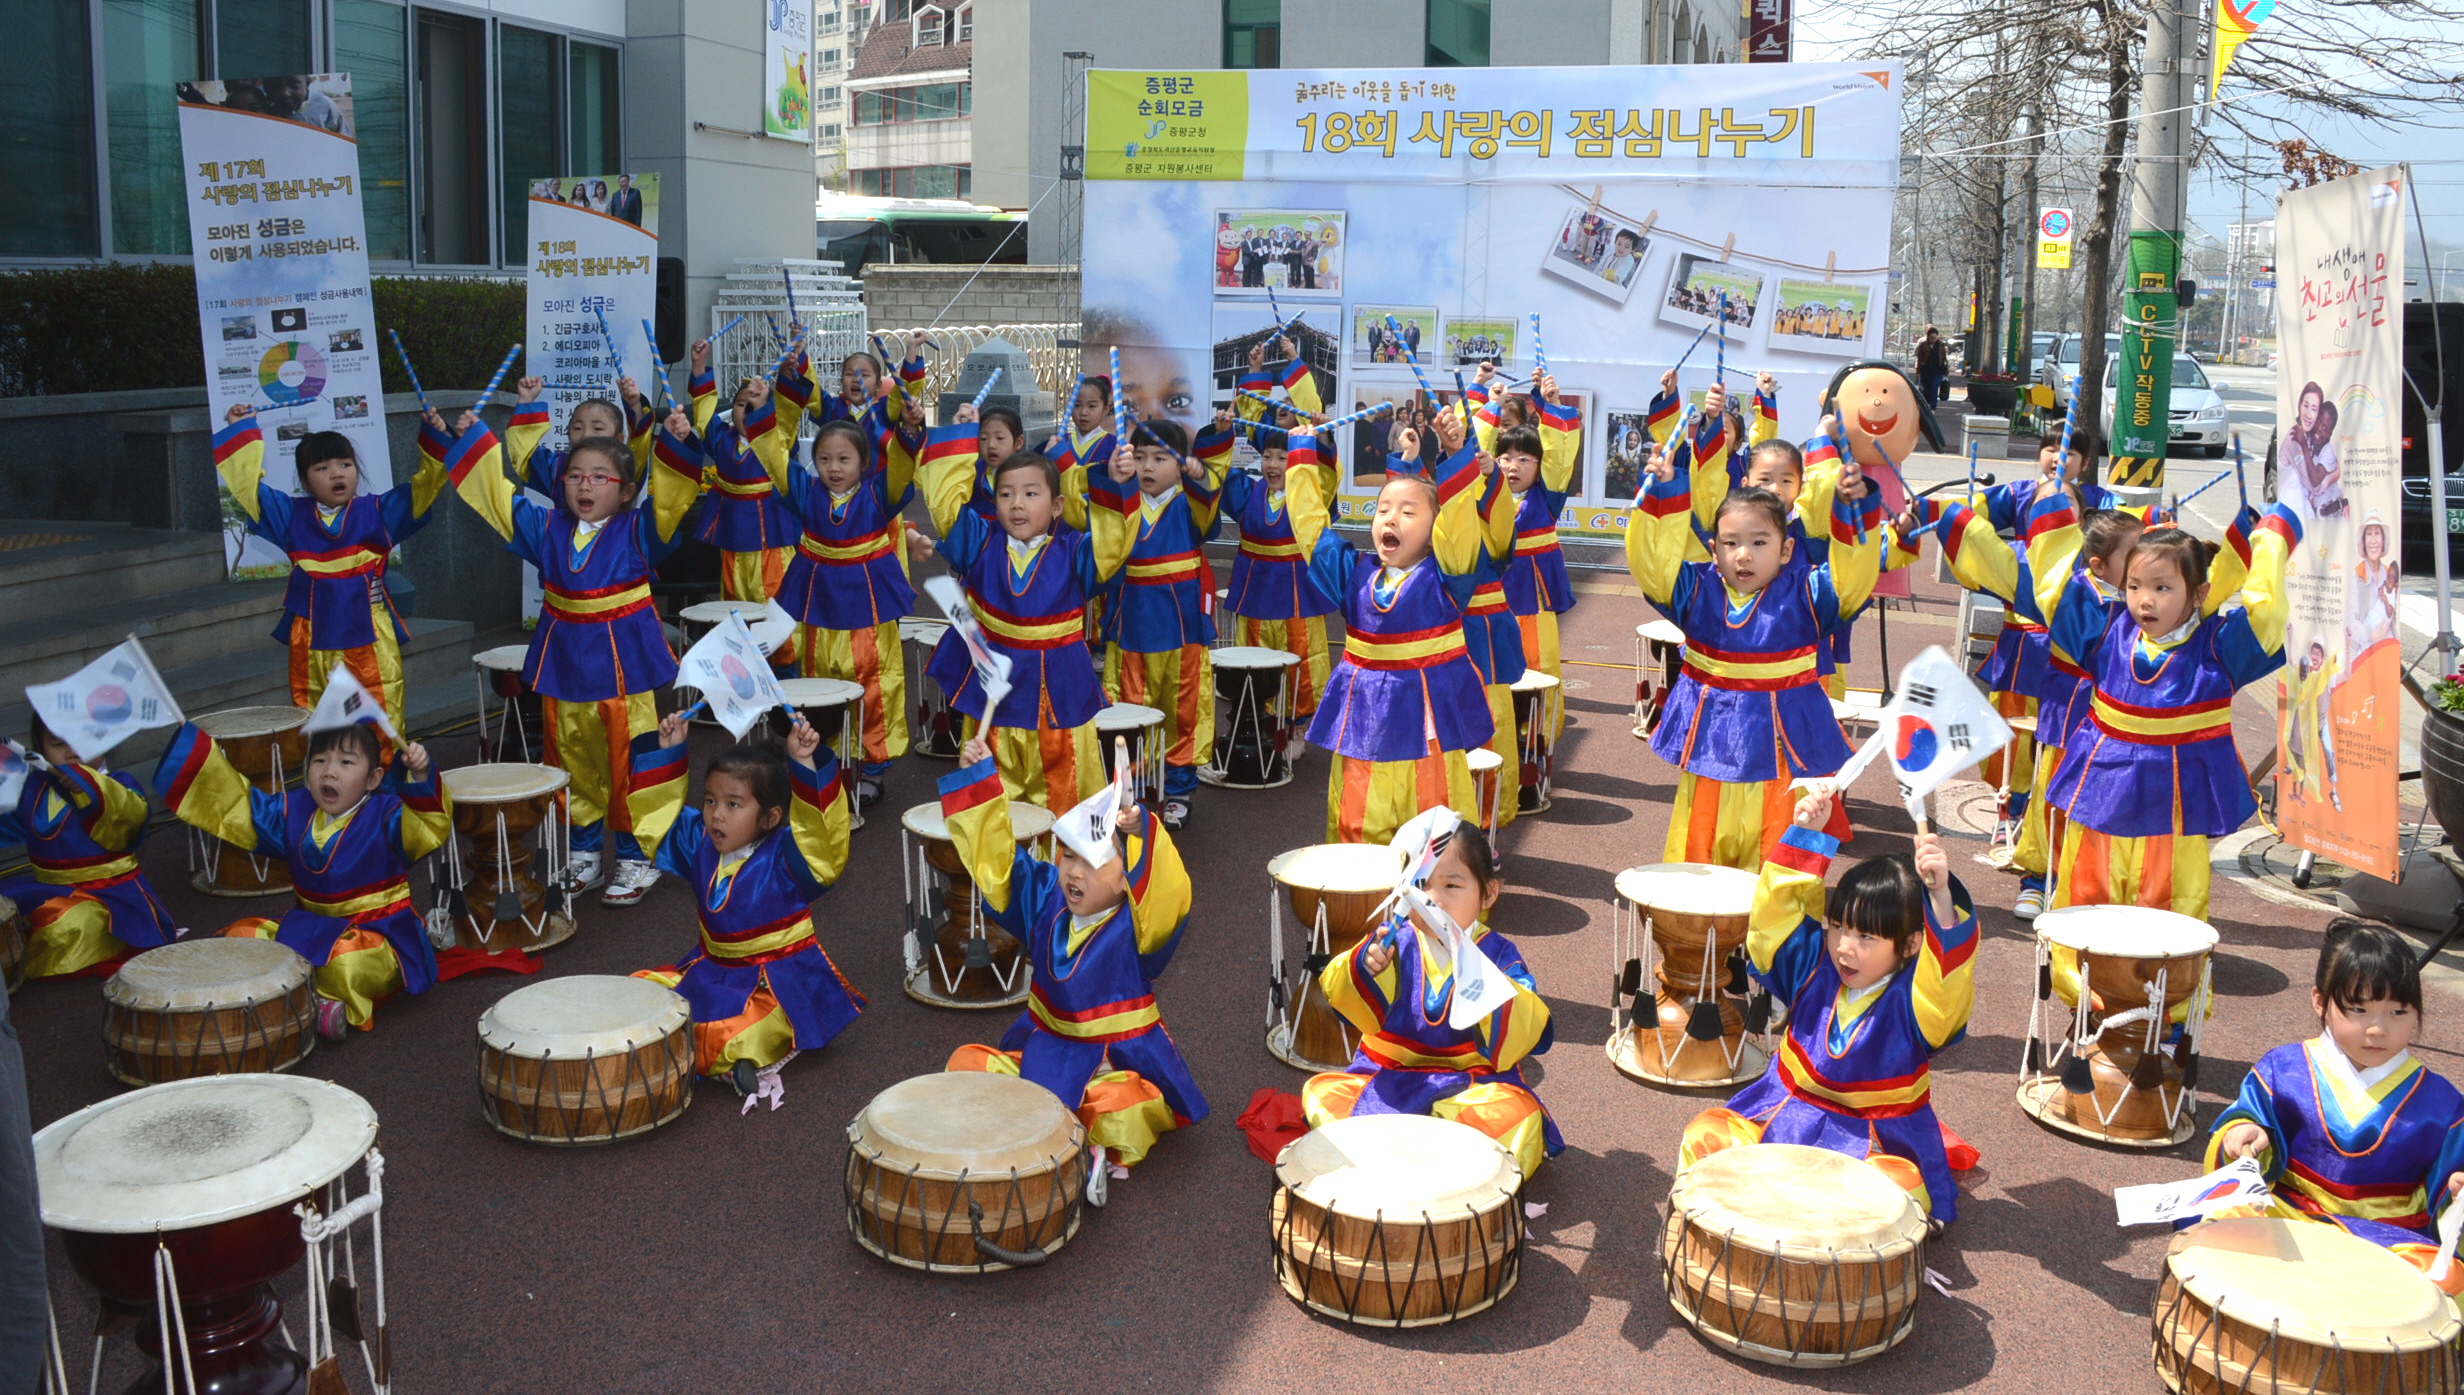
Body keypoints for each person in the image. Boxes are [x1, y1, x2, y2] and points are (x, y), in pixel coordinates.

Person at [435, 403, 698, 905]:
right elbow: (498, 499)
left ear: (626, 490)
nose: (584, 485)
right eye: (575, 475)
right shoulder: (546, 527)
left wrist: (678, 441)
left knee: (630, 762)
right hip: (565, 666)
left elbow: (672, 497)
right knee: (571, 759)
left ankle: (638, 855)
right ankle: (584, 854)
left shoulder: (640, 531)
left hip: (623, 672)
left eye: (600, 477)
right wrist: (471, 441)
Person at [1679, 784, 1977, 1225]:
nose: (1844, 948)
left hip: (1875, 1138)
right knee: (1706, 1135)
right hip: (1782, 1113)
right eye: (1838, 927)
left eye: (1867, 937)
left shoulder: (1917, 1001)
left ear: (1912, 943)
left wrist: (1941, 899)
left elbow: (1948, 982)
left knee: (1894, 1190)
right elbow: (1774, 924)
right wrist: (1807, 836)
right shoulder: (1812, 966)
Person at [940, 739, 1204, 1188]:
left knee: (1125, 1106)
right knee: (964, 1064)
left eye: (1093, 863)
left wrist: (1142, 830)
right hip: (1043, 1051)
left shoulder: (1140, 925)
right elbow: (1000, 864)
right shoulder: (1047, 896)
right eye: (1068, 856)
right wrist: (979, 782)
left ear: (1128, 879)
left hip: (1114, 1063)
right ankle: (1074, 1141)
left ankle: (1077, 1144)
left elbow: (1169, 894)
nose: (1074, 872)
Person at [2031, 485, 2298, 920]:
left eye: (2162, 587)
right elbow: (2055, 593)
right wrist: (2052, 510)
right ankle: (2079, 964)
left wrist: (2270, 541)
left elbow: (2265, 616)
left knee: (2170, 907)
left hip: (2176, 805)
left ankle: (2166, 967)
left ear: (2199, 594)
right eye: (2134, 586)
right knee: (2086, 898)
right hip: (2101, 790)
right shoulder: (2107, 631)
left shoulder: (2218, 650)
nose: (2145, 600)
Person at [1626, 422, 1879, 872]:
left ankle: (1775, 916)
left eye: (1760, 543)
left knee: (1777, 863)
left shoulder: (1808, 595)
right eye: (1731, 544)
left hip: (1784, 755)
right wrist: (1662, 496)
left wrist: (1853, 509)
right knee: (1699, 862)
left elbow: (1852, 577)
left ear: (1786, 550)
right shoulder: (1695, 591)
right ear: (1713, 550)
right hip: (1709, 750)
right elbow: (1653, 565)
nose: (1743, 555)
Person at [1899, 424, 2119, 919]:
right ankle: (2017, 831)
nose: (2058, 459)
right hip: (2028, 653)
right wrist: (1927, 513)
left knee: (2084, 788)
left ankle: (2081, 883)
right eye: (2050, 448)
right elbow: (1970, 522)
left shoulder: (2105, 560)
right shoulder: (2020, 546)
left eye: (2070, 452)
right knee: (2018, 753)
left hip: (2098, 703)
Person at [2204, 920, 2464, 1294]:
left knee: (2448, 1276)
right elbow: (2247, 1122)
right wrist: (2243, 1134)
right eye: (2358, 1009)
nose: (2378, 1029)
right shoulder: (2284, 1069)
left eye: (2398, 1012)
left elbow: (2448, 1193)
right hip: (2290, 1214)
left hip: (2389, 1238)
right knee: (2221, 1216)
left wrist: (2455, 1193)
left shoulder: (2442, 1104)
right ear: (2320, 1002)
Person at [1303, 808, 1560, 1178]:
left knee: (1517, 1117)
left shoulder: (1497, 953)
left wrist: (1483, 981)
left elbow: (1525, 1026)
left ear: (1488, 893)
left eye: (1452, 886)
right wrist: (1366, 967)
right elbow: (1346, 997)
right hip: (1388, 1077)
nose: (1434, 900)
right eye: (1421, 885)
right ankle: (1438, 1162)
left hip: (1471, 1085)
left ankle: (1398, 1160)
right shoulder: (1392, 942)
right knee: (1323, 1096)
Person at [154, 721, 448, 1038]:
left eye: (346, 762)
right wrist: (193, 752)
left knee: (346, 966)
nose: (329, 772)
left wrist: (421, 776)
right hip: (309, 929)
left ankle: (303, 999)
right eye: (319, 761)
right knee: (241, 935)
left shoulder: (387, 813)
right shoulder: (294, 810)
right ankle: (308, 998)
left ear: (373, 778)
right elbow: (239, 805)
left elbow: (425, 827)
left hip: (377, 938)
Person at [1286, 412, 1492, 845]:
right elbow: (1312, 530)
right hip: (1364, 724)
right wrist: (1302, 459)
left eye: (1408, 512)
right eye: (1382, 510)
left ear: (1435, 532)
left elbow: (1459, 525)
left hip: (1429, 728)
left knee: (1435, 827)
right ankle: (1361, 889)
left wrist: (1456, 454)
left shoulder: (1448, 577)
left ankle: (1442, 889)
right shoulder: (1353, 574)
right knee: (1357, 825)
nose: (1390, 518)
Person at [915, 411, 1136, 809]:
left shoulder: (1075, 552)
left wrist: (1119, 486)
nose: (1017, 504)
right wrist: (961, 432)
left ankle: (1064, 853)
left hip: (1059, 698)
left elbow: (1112, 547)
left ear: (1058, 506)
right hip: (993, 695)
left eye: (1031, 494)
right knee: (992, 795)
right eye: (1005, 495)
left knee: (1066, 797)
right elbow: (946, 508)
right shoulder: (979, 543)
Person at [629, 710, 855, 1100]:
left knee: (733, 1033)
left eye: (734, 805)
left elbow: (822, 838)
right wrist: (669, 750)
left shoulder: (788, 858)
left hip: (773, 983)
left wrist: (804, 763)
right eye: (710, 800)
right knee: (640, 992)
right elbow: (658, 823)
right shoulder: (700, 842)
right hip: (710, 970)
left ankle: (726, 1057)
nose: (716, 814)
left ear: (770, 817)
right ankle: (718, 1061)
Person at [215, 404, 447, 737]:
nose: (337, 474)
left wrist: (436, 435)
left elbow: (425, 487)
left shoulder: (379, 512)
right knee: (317, 721)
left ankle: (383, 772)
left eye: (345, 464)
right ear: (305, 481)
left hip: (369, 634)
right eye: (322, 468)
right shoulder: (290, 516)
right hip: (311, 637)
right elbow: (248, 488)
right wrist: (240, 430)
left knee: (380, 720)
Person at [768, 416, 920, 810]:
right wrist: (762, 411)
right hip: (819, 600)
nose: (834, 468)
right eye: (824, 459)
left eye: (844, 459)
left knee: (873, 683)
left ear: (864, 463)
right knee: (820, 677)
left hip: (868, 604)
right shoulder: (806, 493)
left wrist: (908, 433)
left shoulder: (877, 495)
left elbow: (901, 469)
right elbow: (775, 461)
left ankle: (871, 771)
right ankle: (824, 760)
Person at [1098, 418, 1222, 830]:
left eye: (1160, 458)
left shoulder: (1189, 505)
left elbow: (1210, 508)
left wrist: (1201, 477)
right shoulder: (1124, 501)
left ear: (1181, 465)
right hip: (1131, 622)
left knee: (1181, 709)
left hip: (1180, 626)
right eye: (1141, 457)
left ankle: (1179, 789)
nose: (1148, 467)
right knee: (1127, 705)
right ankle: (1129, 791)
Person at [0, 717, 179, 979]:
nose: (72, 751)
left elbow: (130, 822)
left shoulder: (120, 785)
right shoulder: (33, 786)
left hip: (110, 898)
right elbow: (8, 822)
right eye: (58, 743)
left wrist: (91, 786)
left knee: (67, 925)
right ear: (39, 750)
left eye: (84, 740)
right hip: (47, 889)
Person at [1206, 411, 1338, 724]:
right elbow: (1217, 471)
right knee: (1254, 654)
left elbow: (1325, 474)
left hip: (1297, 591)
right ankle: (1255, 717)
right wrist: (1221, 433)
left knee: (1301, 655)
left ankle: (1296, 723)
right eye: (1267, 456)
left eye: (1282, 457)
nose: (1272, 464)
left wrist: (1321, 437)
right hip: (1255, 588)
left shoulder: (1309, 498)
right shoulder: (1248, 492)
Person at [685, 341, 799, 605]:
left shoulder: (778, 441)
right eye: (740, 404)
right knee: (734, 602)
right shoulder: (722, 439)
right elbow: (704, 416)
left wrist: (787, 374)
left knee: (774, 602)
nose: (746, 410)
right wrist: (699, 366)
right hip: (733, 538)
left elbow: (789, 412)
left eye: (755, 405)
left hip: (772, 540)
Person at [1915, 326, 1949, 407]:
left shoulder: (1941, 345)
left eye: (1934, 338)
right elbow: (1920, 359)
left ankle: (1933, 407)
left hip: (1938, 370)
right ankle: (1927, 404)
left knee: (1934, 388)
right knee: (1926, 389)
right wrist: (1918, 371)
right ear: (1928, 337)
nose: (1933, 340)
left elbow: (1944, 358)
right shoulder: (1923, 345)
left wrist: (1946, 370)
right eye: (1931, 338)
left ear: (1937, 337)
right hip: (1926, 370)